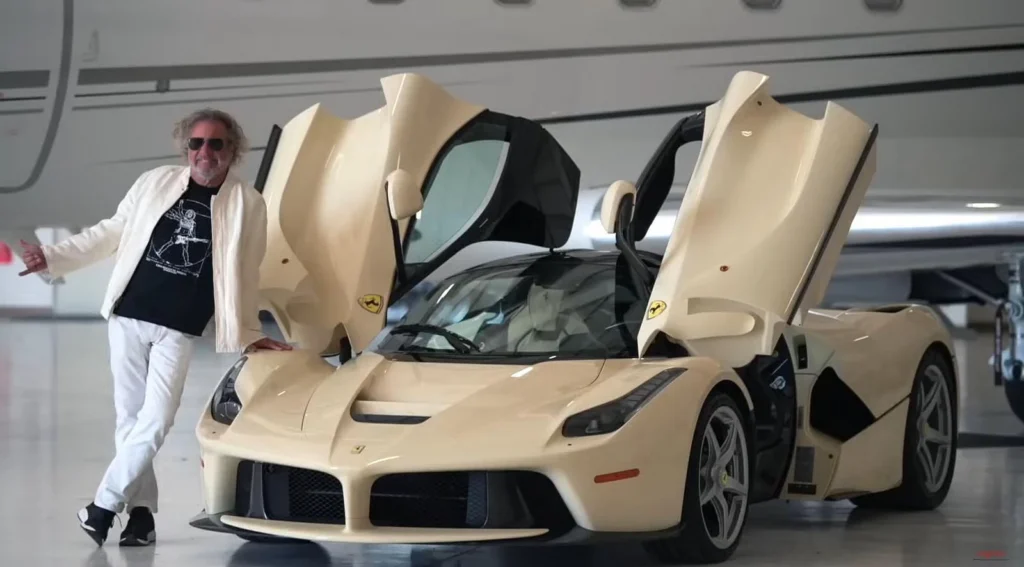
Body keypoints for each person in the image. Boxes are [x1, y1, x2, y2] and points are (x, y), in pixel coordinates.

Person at [18, 108, 292, 547]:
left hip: (177, 330)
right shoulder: (155, 183)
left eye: (216, 144)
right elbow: (110, 232)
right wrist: (53, 257)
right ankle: (141, 517)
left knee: (157, 420)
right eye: (196, 143)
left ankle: (102, 506)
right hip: (129, 317)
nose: (205, 152)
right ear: (186, 149)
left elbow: (246, 271)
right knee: (130, 422)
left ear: (233, 151)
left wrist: (247, 329)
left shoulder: (248, 203)